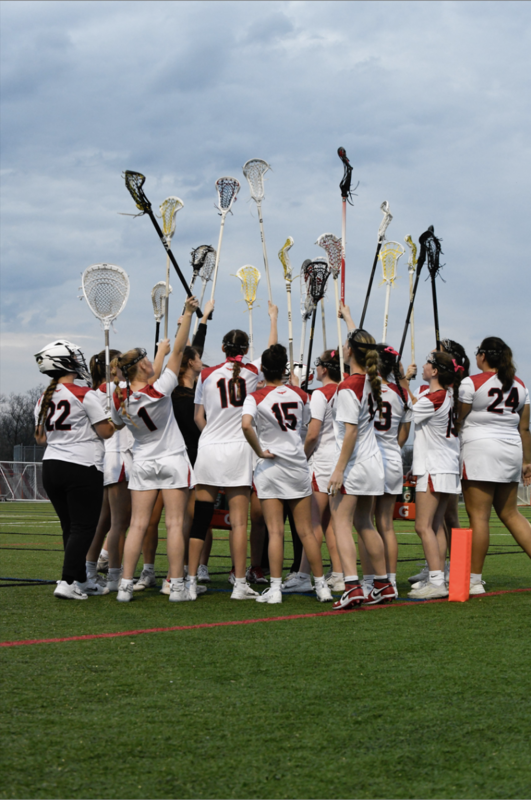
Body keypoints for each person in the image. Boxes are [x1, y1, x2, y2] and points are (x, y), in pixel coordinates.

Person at [110, 296, 199, 603]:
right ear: (144, 368)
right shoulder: (160, 389)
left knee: (137, 524)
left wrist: (158, 354)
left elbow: (118, 425)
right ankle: (176, 586)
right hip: (172, 458)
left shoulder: (121, 399)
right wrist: (187, 313)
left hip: (143, 463)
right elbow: (179, 350)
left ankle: (124, 585)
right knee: (174, 524)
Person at [189, 303, 278, 600]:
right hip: (240, 450)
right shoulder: (254, 372)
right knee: (239, 522)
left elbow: (197, 418)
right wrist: (273, 319)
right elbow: (273, 350)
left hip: (210, 449)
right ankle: (239, 583)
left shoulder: (206, 374)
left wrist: (212, 435)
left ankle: (189, 581)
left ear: (224, 348)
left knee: (201, 517)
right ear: (245, 348)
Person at [241, 344, 332, 604]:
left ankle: (276, 589)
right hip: (297, 465)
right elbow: (309, 427)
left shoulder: (255, 396)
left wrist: (259, 450)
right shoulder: (301, 394)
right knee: (306, 530)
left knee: (275, 531)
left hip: (271, 467)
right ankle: (321, 585)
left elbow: (246, 425)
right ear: (284, 368)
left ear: (262, 369)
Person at [34, 340, 115, 599]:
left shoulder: (42, 399)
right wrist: (117, 417)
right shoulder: (83, 393)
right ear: (66, 363)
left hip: (51, 465)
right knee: (83, 527)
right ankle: (67, 581)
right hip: (82, 464)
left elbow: (40, 439)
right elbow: (106, 431)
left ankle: (80, 577)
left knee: (70, 526)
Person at [328, 329, 395, 609]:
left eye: (345, 344)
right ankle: (382, 584)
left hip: (354, 463)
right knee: (365, 523)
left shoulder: (348, 386)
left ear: (350, 351)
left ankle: (352, 585)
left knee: (340, 523)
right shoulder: (371, 381)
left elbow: (351, 433)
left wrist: (338, 470)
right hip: (372, 462)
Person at [458, 337, 531, 594]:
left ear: (483, 356)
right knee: (511, 514)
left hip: (480, 449)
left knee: (478, 517)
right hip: (511, 449)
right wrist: (527, 461)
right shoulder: (520, 385)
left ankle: (474, 580)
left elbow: (459, 417)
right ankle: (473, 578)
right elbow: (524, 427)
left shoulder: (471, 382)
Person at [407, 338, 470, 587]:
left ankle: (435, 580)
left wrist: (402, 381)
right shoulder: (449, 394)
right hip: (446, 465)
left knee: (422, 526)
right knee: (436, 525)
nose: (422, 366)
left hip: (432, 466)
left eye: (427, 362)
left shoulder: (435, 397)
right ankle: (439, 575)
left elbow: (409, 408)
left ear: (434, 371)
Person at [282, 349, 343, 593]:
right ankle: (338, 572)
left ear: (325, 368)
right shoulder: (346, 390)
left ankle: (304, 575)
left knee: (314, 523)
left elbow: (314, 433)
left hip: (323, 461)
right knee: (332, 523)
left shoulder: (321, 394)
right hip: (341, 460)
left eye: (317, 364)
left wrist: (302, 456)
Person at [357, 345, 412, 599]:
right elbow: (403, 434)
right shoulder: (402, 393)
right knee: (386, 525)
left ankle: (370, 582)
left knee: (365, 522)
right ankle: (390, 581)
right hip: (392, 458)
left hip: (370, 458)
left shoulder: (367, 386)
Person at [82, 350, 135, 592]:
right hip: (120, 457)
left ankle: (88, 570)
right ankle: (115, 576)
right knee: (118, 523)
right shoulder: (120, 389)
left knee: (103, 521)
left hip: (105, 458)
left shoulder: (94, 393)